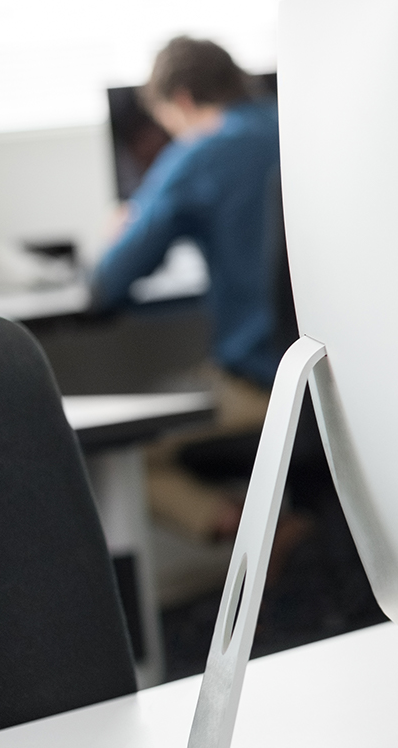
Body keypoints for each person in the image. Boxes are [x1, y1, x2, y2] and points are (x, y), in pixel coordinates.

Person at [93, 36, 288, 543]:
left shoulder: (200, 152)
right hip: (340, 382)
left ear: (181, 101)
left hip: (261, 385)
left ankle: (263, 534)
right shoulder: (296, 126)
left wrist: (121, 229)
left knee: (120, 451)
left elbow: (109, 282)